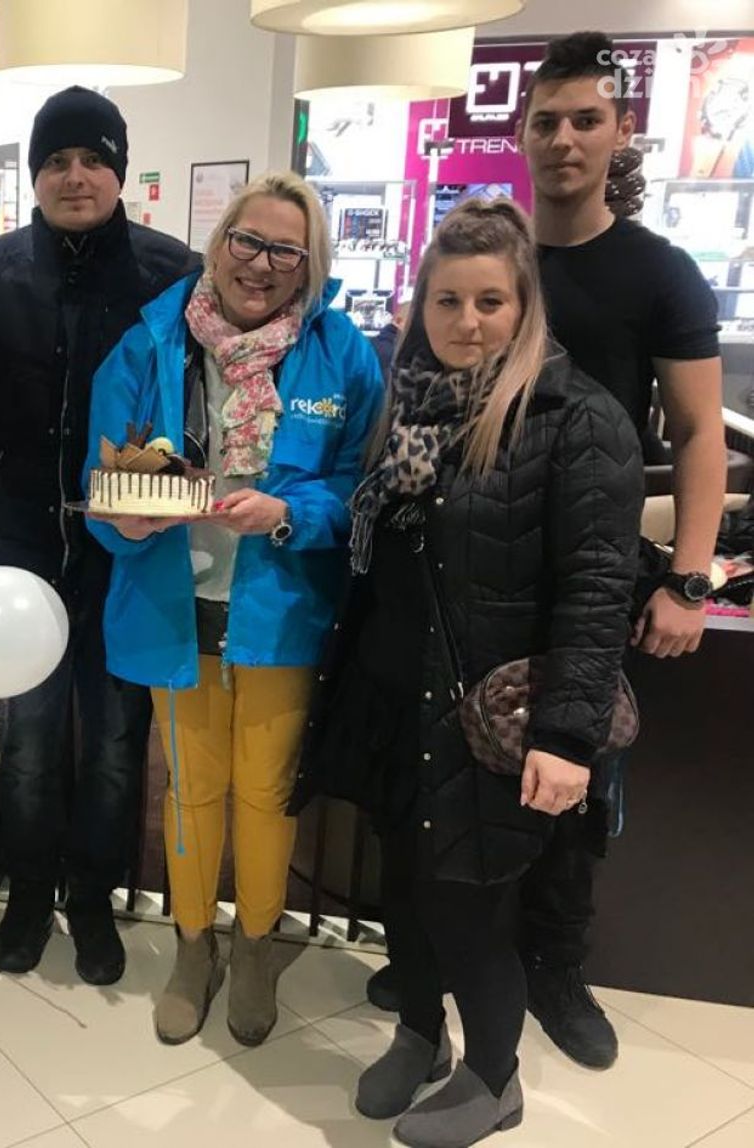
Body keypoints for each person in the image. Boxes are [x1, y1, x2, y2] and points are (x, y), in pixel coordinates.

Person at [366, 31, 730, 1065]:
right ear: (520, 133)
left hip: (581, 561)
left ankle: (556, 972)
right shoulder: (491, 253)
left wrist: (689, 576)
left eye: (586, 120)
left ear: (620, 130)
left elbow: (698, 431)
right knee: (449, 790)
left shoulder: (659, 273)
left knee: (565, 790)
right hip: (472, 566)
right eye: (546, 121)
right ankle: (444, 966)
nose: (564, 139)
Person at [294, 198, 642, 1147]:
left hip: (493, 715)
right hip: (396, 697)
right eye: (448, 301)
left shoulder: (575, 420)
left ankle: (495, 1077)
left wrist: (566, 736)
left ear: (524, 305)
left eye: (491, 301)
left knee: (473, 904)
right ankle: (420, 1035)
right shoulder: (409, 404)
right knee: (406, 886)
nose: (468, 322)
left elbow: (598, 588)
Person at [85, 171, 383, 1043]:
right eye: (247, 242)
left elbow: (360, 487)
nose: (261, 264)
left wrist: (289, 512)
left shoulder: (341, 353)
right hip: (174, 607)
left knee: (266, 794)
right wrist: (124, 518)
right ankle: (193, 947)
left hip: (283, 611)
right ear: (219, 245)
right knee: (189, 791)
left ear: (309, 265)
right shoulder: (148, 344)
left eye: (286, 251)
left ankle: (255, 944)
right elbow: (101, 481)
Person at [0, 86, 199, 983]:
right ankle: (27, 897)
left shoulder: (174, 274)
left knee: (115, 744)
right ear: (33, 175)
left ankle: (94, 900)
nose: (75, 176)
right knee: (27, 741)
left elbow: (196, 407)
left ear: (120, 171)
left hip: (129, 552)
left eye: (94, 159)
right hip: (21, 546)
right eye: (55, 161)